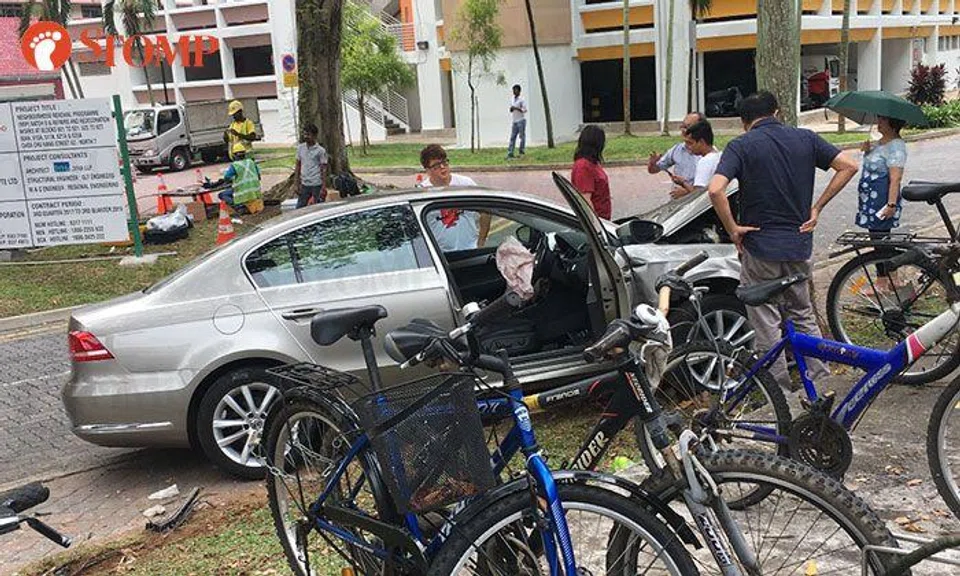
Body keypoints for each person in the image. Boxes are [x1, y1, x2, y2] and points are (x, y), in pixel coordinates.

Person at [706, 91, 859, 391]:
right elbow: (849, 165)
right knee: (803, 315)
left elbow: (715, 190)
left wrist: (733, 228)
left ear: (743, 121)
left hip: (760, 248)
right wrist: (817, 207)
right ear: (777, 112)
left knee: (766, 322)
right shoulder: (806, 138)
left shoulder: (741, 145)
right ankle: (821, 384)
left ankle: (777, 394)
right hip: (799, 244)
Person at [419, 144, 491, 251]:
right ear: (428, 170)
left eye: (444, 162)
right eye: (437, 165)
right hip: (440, 256)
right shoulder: (423, 192)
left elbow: (486, 211)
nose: (443, 167)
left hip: (470, 250)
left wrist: (481, 241)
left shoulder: (466, 184)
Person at [857, 115, 907, 235]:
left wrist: (891, 205)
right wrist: (867, 151)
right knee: (875, 236)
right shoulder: (881, 143)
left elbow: (896, 179)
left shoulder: (896, 147)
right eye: (879, 118)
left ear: (893, 123)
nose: (879, 122)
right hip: (869, 199)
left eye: (884, 119)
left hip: (880, 200)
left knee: (880, 237)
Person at [647, 112, 705, 197]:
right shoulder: (677, 149)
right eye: (682, 126)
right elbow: (653, 170)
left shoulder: (708, 154)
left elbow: (709, 189)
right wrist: (652, 164)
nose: (683, 130)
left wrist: (687, 192)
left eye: (688, 127)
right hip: (678, 204)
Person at [668, 118, 720, 200]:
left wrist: (684, 184)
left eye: (691, 143)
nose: (689, 147)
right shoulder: (719, 156)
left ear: (701, 142)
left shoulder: (705, 161)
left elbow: (698, 195)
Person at [207, 142, 263, 214]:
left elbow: (226, 177)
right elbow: (258, 176)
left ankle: (239, 206)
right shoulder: (251, 162)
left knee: (222, 195)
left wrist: (229, 181)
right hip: (255, 193)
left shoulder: (235, 165)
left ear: (234, 155)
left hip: (243, 194)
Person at [571, 125, 612, 219]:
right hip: (597, 221)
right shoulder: (583, 166)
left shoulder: (593, 163)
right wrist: (596, 225)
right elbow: (586, 200)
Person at [294, 122, 328, 208]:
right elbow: (298, 166)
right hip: (304, 184)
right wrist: (296, 183)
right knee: (300, 208)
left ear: (315, 136)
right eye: (304, 134)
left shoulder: (320, 151)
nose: (306, 137)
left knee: (316, 208)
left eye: (308, 134)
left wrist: (323, 187)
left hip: (316, 184)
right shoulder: (300, 148)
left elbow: (323, 169)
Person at [507, 84, 527, 159]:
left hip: (521, 120)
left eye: (515, 90)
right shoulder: (512, 99)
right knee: (512, 137)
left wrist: (516, 108)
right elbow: (511, 110)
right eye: (513, 90)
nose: (514, 92)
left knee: (522, 137)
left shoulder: (522, 100)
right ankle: (510, 153)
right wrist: (511, 109)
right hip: (514, 120)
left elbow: (524, 110)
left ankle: (521, 151)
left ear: (519, 91)